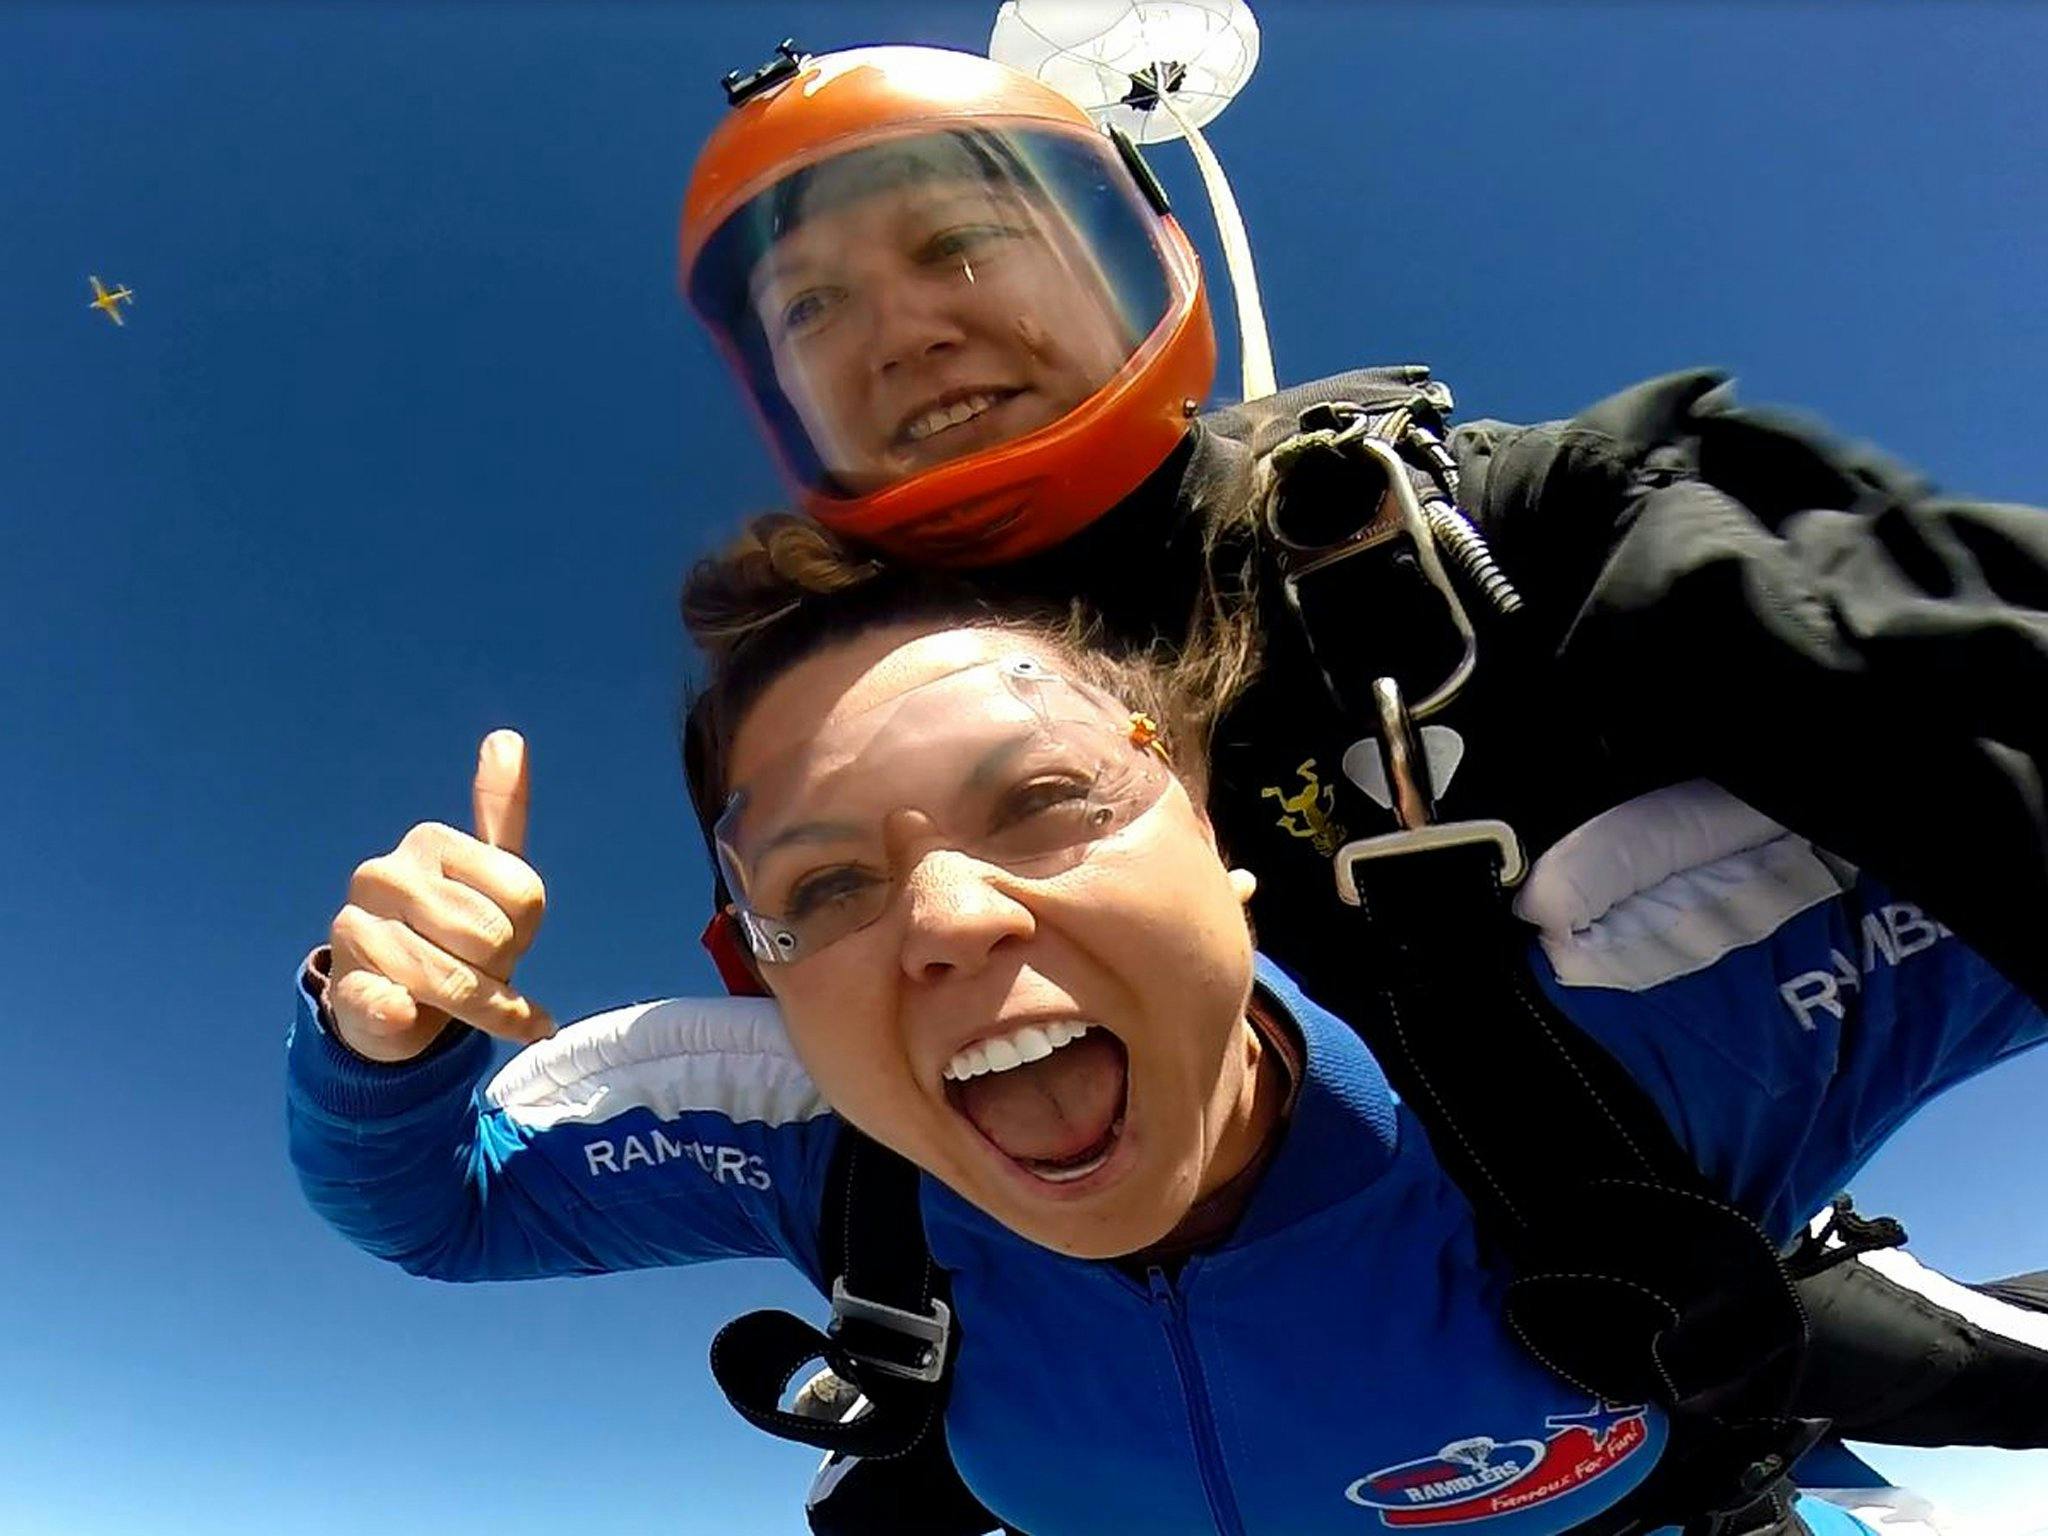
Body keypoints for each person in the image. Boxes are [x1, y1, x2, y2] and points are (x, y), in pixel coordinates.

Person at [675, 34, 2048, 1470]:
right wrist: (420, 1045)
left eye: (958, 240)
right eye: (813, 307)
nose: (898, 332)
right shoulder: (802, 750)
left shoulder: (1502, 547)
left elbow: (1960, 688)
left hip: (1657, 1362)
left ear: (1135, 249)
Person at [290, 549, 2047, 1535]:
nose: (952, 920)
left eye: (1046, 803)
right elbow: (438, 1207)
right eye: (823, 887)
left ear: (1218, 845)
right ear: (753, 974)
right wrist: (382, 1044)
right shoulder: (810, 1143)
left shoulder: (1616, 1049)